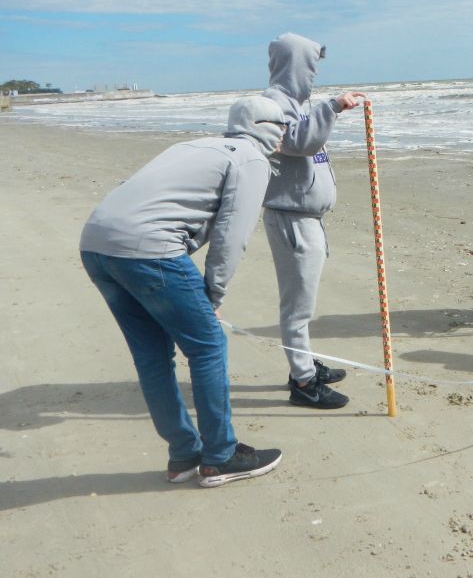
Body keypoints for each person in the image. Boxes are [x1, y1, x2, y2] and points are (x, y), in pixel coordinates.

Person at [80, 96, 286, 488]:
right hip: (148, 250)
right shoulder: (251, 159)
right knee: (207, 345)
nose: (285, 136)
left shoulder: (192, 146)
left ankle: (183, 455)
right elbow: (232, 235)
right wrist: (214, 296)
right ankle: (220, 457)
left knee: (151, 354)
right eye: (284, 128)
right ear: (267, 127)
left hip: (96, 245)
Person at [260, 32, 367, 410]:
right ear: (296, 63)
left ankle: (303, 365)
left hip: (307, 217)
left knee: (305, 301)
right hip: (291, 218)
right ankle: (303, 383)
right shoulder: (273, 103)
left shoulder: (300, 103)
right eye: (312, 63)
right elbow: (300, 142)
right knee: (297, 305)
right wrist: (332, 107)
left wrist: (326, 108)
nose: (316, 71)